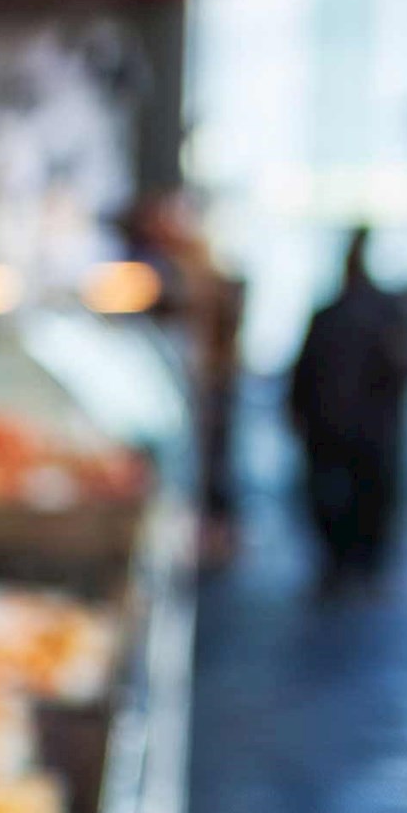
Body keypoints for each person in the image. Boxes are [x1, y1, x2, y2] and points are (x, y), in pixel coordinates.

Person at [288, 229, 407, 588]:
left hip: (351, 425)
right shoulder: (344, 315)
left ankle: (353, 563)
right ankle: (350, 562)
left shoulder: (361, 315)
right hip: (349, 425)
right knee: (348, 497)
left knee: (356, 497)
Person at [129, 188, 246, 563]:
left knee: (212, 462)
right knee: (207, 460)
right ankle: (209, 531)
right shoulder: (177, 265)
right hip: (198, 378)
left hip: (209, 379)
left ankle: (214, 534)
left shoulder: (196, 265)